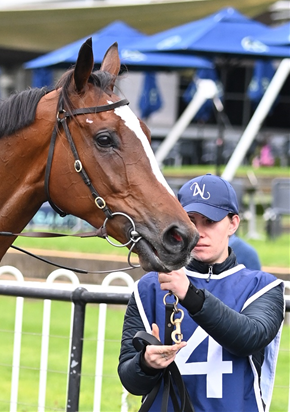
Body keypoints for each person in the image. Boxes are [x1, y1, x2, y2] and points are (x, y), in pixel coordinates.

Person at [118, 174, 285, 412]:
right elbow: (130, 380)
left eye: (210, 221)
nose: (198, 232)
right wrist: (146, 364)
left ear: (233, 223)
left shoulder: (263, 286)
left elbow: (249, 337)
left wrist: (189, 294)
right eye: (191, 220)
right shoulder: (149, 287)